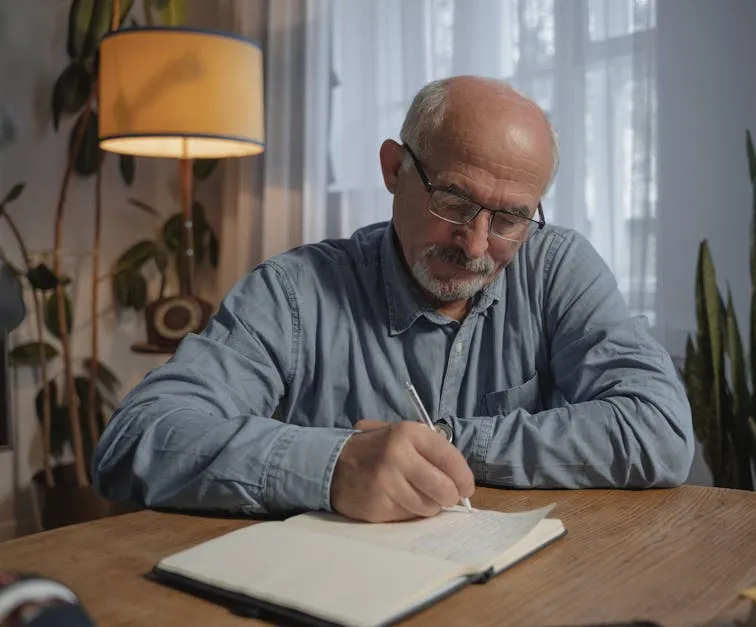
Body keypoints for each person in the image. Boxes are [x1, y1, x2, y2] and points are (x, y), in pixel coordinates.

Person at [92, 75, 694, 524]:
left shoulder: (554, 264)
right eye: (454, 202)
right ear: (393, 169)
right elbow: (138, 439)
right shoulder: (293, 293)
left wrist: (450, 443)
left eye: (510, 216)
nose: (477, 243)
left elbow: (660, 431)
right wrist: (335, 466)